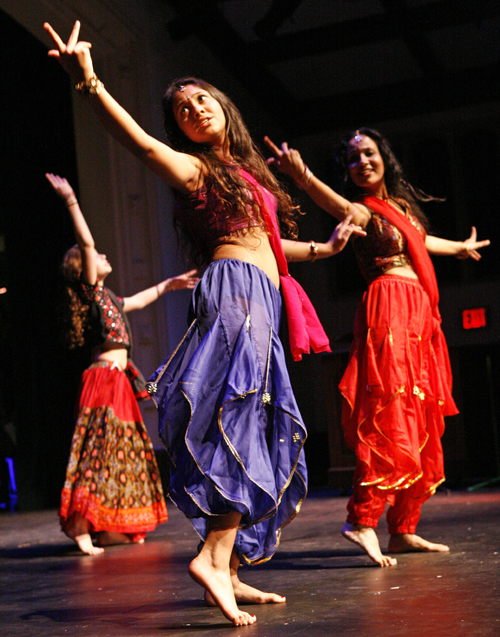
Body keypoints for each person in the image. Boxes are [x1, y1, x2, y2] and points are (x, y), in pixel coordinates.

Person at [44, 21, 365, 625]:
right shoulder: (196, 170)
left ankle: (231, 565)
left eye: (201, 98)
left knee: (255, 417)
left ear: (222, 106)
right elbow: (140, 144)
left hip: (261, 296)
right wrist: (90, 84)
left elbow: (269, 243)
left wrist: (326, 248)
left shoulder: (243, 172)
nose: (194, 108)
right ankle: (214, 558)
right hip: (237, 293)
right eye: (183, 110)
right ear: (182, 131)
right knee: (240, 415)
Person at [265, 130, 490, 567]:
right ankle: (362, 520)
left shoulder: (401, 210)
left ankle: (403, 529)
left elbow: (422, 243)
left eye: (369, 153)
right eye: (353, 159)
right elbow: (335, 205)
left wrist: (460, 248)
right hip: (389, 308)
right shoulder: (364, 212)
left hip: (421, 314)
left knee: (420, 414)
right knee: (390, 411)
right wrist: (303, 176)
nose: (363, 162)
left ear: (384, 158)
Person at [47, 172, 198, 556]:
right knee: (100, 448)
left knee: (125, 451)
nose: (103, 257)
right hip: (104, 380)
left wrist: (169, 285)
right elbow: (87, 241)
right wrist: (70, 200)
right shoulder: (93, 291)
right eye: (96, 258)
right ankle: (81, 525)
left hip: (121, 380)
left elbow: (138, 301)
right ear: (83, 267)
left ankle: (111, 524)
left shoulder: (110, 299)